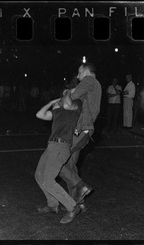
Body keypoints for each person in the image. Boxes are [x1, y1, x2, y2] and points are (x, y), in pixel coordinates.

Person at [35, 91, 89, 224]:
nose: (65, 94)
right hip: (51, 146)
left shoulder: (76, 106)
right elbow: (39, 114)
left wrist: (68, 94)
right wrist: (51, 103)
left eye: (67, 93)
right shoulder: (58, 111)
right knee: (39, 175)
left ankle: (73, 207)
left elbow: (66, 102)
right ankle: (53, 205)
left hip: (61, 146)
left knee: (48, 180)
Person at [59, 62, 102, 212]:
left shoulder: (89, 81)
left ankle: (81, 187)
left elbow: (73, 95)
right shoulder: (95, 85)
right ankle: (77, 203)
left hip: (81, 129)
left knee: (59, 163)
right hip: (84, 129)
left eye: (79, 73)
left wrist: (66, 92)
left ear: (86, 71)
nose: (78, 76)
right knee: (70, 165)